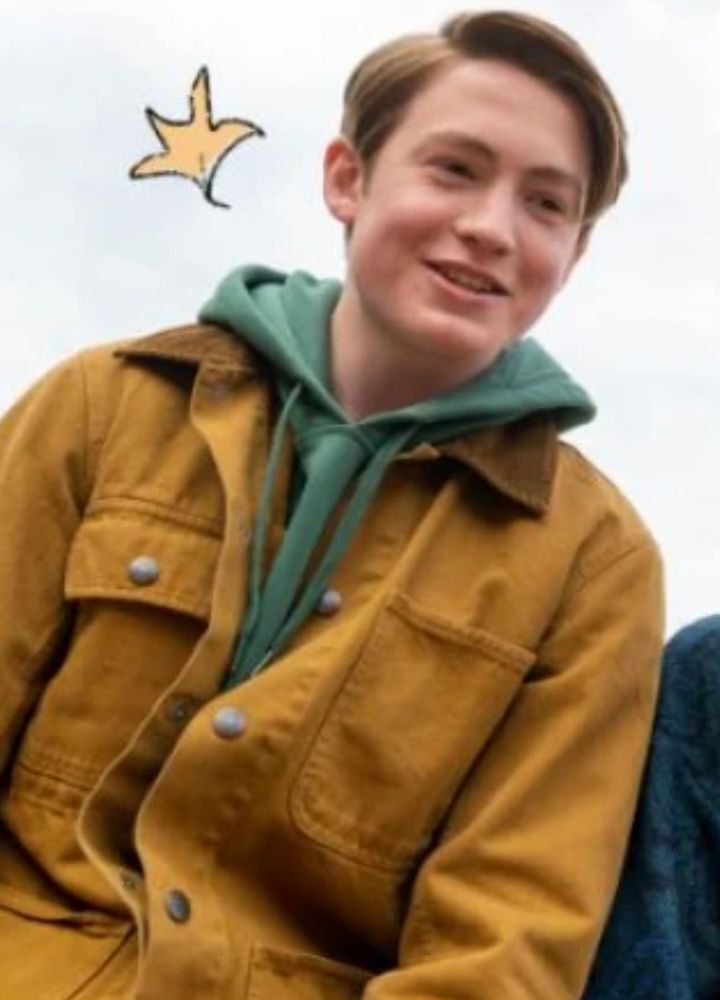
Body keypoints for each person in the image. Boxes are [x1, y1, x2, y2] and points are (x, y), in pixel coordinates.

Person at [0, 10, 664, 999]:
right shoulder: (100, 406)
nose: (492, 228)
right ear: (348, 179)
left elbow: (502, 950)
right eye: (455, 170)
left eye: (546, 204)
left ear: (572, 255)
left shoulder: (595, 564)